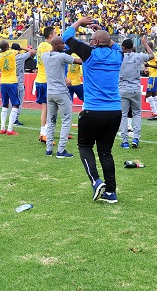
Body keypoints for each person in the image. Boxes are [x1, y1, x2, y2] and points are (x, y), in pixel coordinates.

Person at [63, 17, 123, 204]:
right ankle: (111, 192)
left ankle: (96, 181)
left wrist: (80, 22)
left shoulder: (88, 53)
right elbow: (114, 45)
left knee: (85, 146)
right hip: (114, 111)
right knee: (106, 151)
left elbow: (66, 36)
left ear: (95, 42)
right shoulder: (117, 55)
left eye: (92, 39)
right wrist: (102, 31)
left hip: (93, 110)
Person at [42, 36, 83, 157]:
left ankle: (49, 149)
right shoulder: (62, 56)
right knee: (66, 121)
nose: (64, 46)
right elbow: (79, 61)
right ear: (55, 45)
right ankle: (61, 150)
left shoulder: (44, 55)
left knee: (51, 121)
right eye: (62, 44)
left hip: (50, 93)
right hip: (61, 92)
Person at [119, 37, 154, 149]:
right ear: (132, 47)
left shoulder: (119, 57)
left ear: (123, 48)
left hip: (122, 88)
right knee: (137, 113)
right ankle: (136, 138)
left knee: (123, 115)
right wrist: (145, 44)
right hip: (135, 88)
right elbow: (152, 55)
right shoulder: (138, 56)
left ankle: (124, 141)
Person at [35, 27, 55, 143]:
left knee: (45, 108)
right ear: (51, 36)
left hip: (40, 79)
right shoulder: (48, 47)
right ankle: (46, 133)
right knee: (51, 108)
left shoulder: (40, 46)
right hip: (47, 80)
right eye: (55, 33)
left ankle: (43, 133)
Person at [11, 43, 35, 125]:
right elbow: (32, 52)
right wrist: (22, 47)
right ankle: (15, 118)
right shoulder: (20, 57)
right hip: (18, 80)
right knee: (19, 101)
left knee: (12, 100)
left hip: (10, 80)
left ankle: (12, 117)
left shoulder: (8, 56)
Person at [145, 40, 157, 120]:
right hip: (153, 76)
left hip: (154, 77)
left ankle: (155, 113)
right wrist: (147, 69)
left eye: (146, 47)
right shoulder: (150, 55)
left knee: (148, 94)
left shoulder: (154, 55)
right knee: (154, 94)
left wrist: (149, 65)